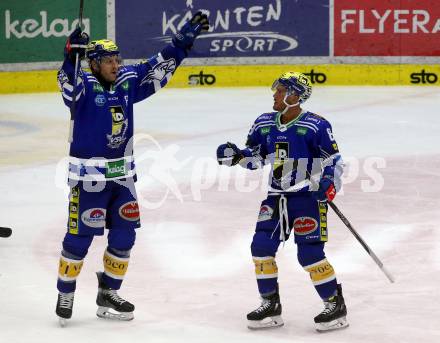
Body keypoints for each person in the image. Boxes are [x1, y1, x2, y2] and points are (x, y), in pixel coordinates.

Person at [55, 12, 209, 326]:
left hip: (123, 180)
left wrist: (181, 44)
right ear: (94, 64)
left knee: (125, 237)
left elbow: (155, 66)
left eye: (118, 59)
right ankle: (65, 291)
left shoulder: (126, 82)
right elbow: (67, 85)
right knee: (79, 239)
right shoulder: (82, 84)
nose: (117, 65)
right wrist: (71, 55)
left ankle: (109, 292)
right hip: (89, 182)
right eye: (109, 61)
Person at [216, 72, 347, 332]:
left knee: (309, 255)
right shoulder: (264, 123)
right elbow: (255, 157)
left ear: (295, 95)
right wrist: (236, 156)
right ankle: (270, 305)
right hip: (276, 196)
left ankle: (335, 304)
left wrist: (328, 185)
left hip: (307, 197)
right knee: (261, 247)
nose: (274, 94)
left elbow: (334, 162)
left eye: (280, 90)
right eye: (276, 89)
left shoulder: (316, 125)